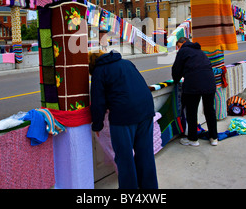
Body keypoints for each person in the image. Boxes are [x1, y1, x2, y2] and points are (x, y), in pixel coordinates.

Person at [89, 50, 158, 189]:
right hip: (146, 110)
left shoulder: (99, 71)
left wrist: (97, 125)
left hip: (123, 116)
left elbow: (98, 102)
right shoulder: (126, 63)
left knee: (124, 159)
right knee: (145, 155)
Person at [172, 37, 219, 147]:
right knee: (209, 110)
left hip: (193, 83)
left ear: (183, 43)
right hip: (209, 82)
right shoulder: (199, 51)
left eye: (178, 46)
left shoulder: (183, 50)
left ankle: (193, 139)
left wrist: (176, 80)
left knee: (191, 111)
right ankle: (214, 138)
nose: (178, 49)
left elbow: (176, 68)